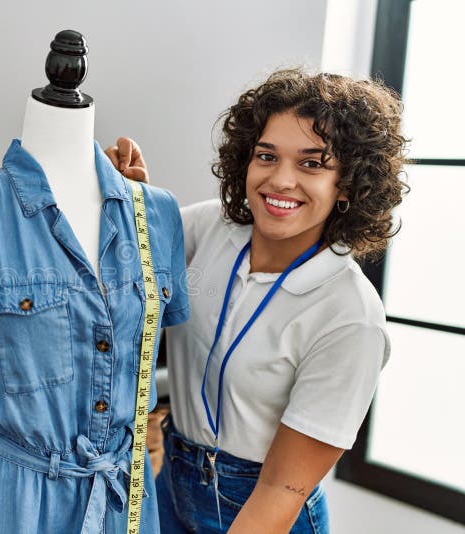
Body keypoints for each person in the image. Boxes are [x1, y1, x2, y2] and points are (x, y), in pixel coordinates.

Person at [105, 68, 408, 533]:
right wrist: (118, 202)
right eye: (267, 155)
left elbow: (281, 491)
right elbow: (117, 271)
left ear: (347, 184)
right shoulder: (209, 228)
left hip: (264, 505)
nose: (280, 180)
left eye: (312, 163)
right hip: (173, 475)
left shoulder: (350, 317)